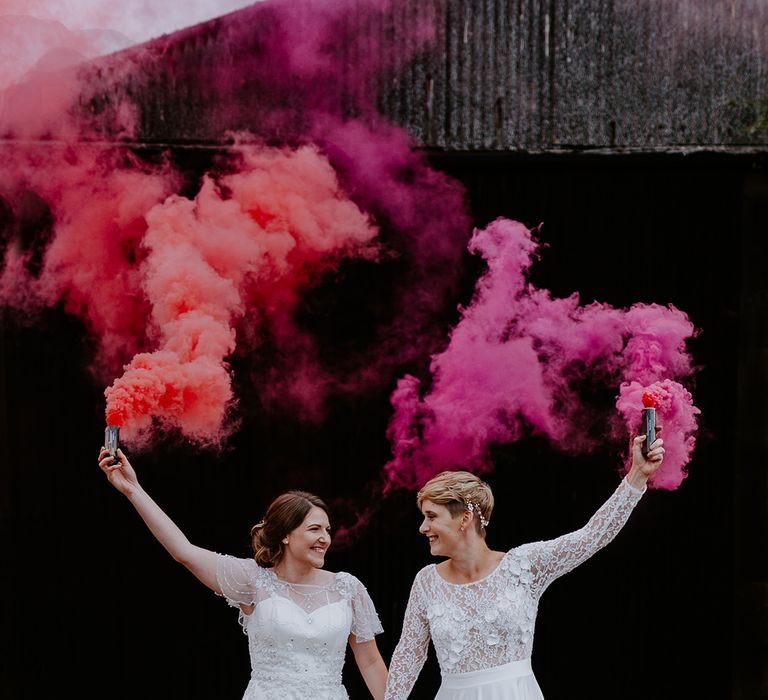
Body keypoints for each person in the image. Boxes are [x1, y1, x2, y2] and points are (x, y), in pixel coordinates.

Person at [383, 431, 666, 699]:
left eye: (432, 516)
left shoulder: (524, 566)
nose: (423, 528)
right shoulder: (426, 581)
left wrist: (637, 475)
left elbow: (591, 537)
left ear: (465, 519)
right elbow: (407, 658)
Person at [97, 446, 388, 700]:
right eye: (314, 529)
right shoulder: (253, 580)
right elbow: (183, 551)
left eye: (327, 529)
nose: (325, 538)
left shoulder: (347, 588)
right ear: (286, 535)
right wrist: (134, 490)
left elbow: (371, 662)